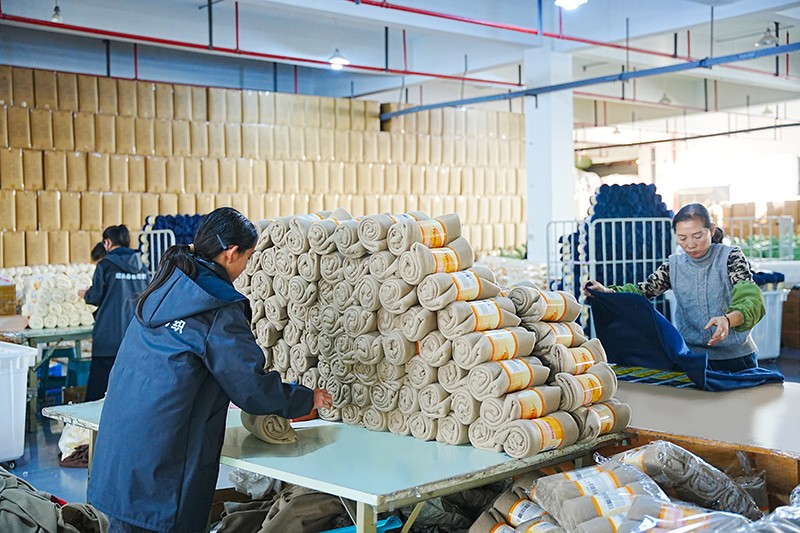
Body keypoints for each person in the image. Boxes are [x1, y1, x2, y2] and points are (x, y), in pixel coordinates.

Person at [87, 207, 332, 533]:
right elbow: (250, 387)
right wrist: (306, 398)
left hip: (121, 452)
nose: (245, 267)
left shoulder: (167, 285)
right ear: (231, 252)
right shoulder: (216, 305)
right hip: (164, 463)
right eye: (248, 258)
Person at [584, 203, 765, 372]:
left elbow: (751, 299)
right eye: (682, 238)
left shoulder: (730, 257)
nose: (690, 244)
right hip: (693, 359)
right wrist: (608, 292)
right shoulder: (674, 265)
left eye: (697, 236)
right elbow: (643, 291)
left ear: (711, 230)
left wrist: (728, 320)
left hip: (737, 359)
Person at [79, 225, 149, 401]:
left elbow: (95, 296)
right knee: (129, 393)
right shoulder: (142, 267)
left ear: (107, 243)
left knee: (98, 394)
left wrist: (85, 294)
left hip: (107, 338)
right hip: (134, 339)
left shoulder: (105, 265)